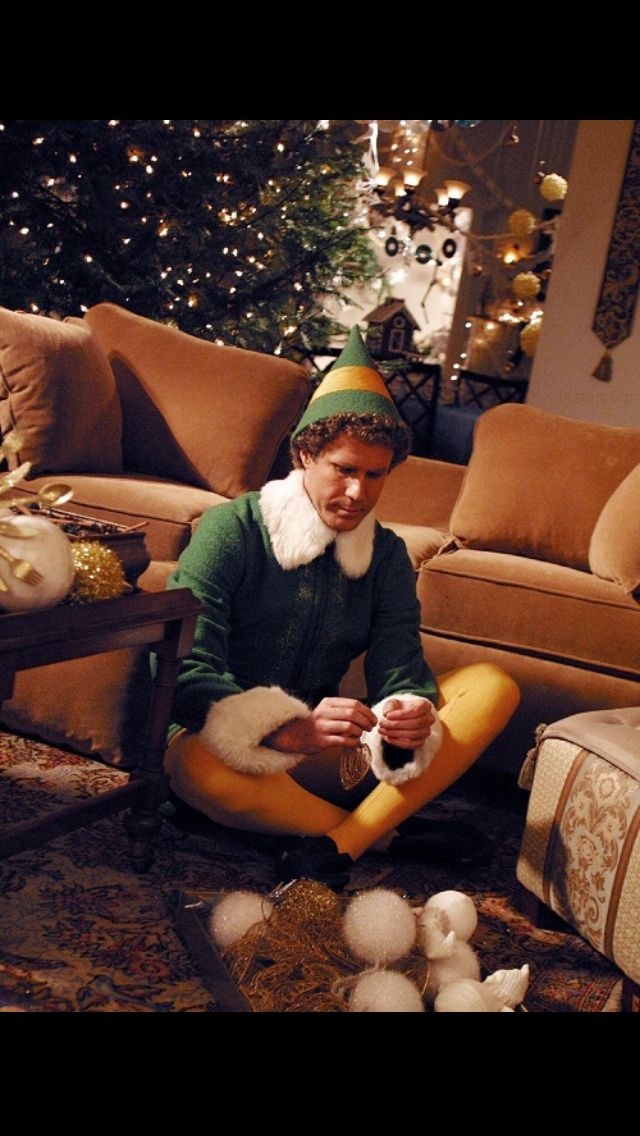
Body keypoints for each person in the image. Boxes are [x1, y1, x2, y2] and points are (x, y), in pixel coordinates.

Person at [164, 326, 520, 884]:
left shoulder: (387, 557)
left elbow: (401, 667)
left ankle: (342, 842)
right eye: (345, 470)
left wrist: (410, 713)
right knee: (196, 768)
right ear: (306, 454)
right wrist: (281, 728)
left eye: (374, 475)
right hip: (225, 749)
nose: (359, 493)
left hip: (325, 756)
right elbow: (181, 664)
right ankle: (389, 836)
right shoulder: (231, 529)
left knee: (494, 685)